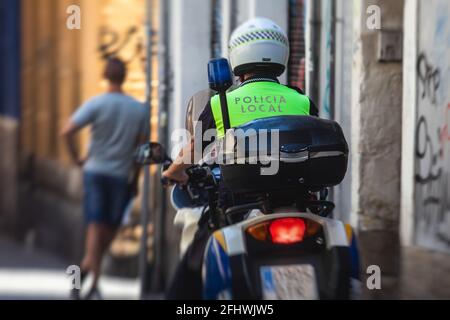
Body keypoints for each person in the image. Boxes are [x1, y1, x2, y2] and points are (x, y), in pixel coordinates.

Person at [162, 17, 319, 299]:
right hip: (296, 201)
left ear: (237, 58)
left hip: (237, 202)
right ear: (282, 54)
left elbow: (195, 148)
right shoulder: (301, 100)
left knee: (189, 271)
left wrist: (173, 172)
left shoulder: (222, 103)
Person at [61, 57, 149, 299]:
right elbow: (140, 151)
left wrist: (76, 158)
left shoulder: (96, 104)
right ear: (124, 76)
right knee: (105, 228)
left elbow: (67, 130)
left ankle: (84, 270)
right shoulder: (139, 109)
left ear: (105, 75)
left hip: (95, 172)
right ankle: (95, 284)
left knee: (98, 228)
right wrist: (135, 179)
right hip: (121, 176)